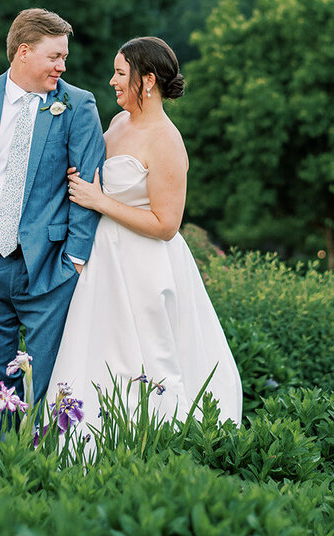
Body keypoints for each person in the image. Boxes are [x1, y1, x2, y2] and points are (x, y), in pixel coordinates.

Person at [51, 36, 243, 437]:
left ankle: (153, 444)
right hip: (104, 258)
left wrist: (98, 200)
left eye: (120, 73)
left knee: (148, 357)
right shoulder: (120, 122)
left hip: (145, 266)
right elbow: (100, 176)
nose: (112, 81)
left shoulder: (167, 141)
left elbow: (166, 224)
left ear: (148, 79)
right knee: (97, 348)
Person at [0, 8, 106, 423]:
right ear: (23, 52)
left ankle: (47, 463)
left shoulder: (78, 105)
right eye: (55, 57)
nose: (62, 66)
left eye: (64, 57)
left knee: (51, 378)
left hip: (50, 269)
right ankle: (0, 460)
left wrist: (76, 259)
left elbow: (89, 186)